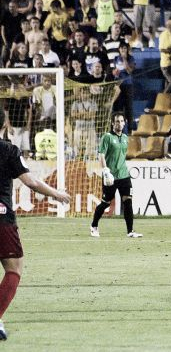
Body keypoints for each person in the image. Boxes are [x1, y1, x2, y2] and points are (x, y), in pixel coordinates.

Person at [0, 108, 71, 341]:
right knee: (14, 269)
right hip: (2, 218)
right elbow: (30, 181)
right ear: (5, 124)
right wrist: (57, 194)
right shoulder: (8, 150)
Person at [89, 112, 143, 238]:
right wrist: (105, 170)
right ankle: (94, 225)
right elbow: (101, 155)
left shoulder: (125, 137)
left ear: (124, 123)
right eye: (117, 121)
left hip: (124, 175)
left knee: (128, 201)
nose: (119, 123)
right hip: (110, 176)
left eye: (121, 121)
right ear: (113, 123)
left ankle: (130, 231)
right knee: (106, 202)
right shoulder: (107, 137)